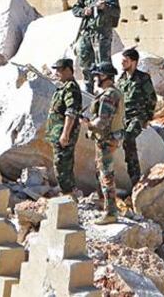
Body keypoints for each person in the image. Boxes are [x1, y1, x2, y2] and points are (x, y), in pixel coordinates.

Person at [71, 0, 121, 94]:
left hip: (102, 32)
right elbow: (75, 9)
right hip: (87, 31)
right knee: (84, 58)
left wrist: (105, 7)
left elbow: (116, 11)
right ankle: (88, 89)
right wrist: (84, 11)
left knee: (103, 63)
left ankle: (108, 91)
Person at [87, 63, 125, 224]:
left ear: (106, 76)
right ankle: (106, 207)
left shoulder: (108, 96)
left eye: (98, 75)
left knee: (106, 176)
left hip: (106, 139)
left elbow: (102, 122)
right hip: (109, 138)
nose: (96, 78)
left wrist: (87, 124)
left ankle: (110, 212)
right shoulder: (114, 93)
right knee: (104, 173)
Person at [116, 48, 156, 186]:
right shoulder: (121, 79)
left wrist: (148, 118)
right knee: (123, 143)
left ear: (133, 62)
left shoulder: (143, 78)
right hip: (123, 117)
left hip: (138, 116)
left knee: (128, 138)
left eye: (125, 61)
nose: (122, 63)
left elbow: (152, 98)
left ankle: (135, 177)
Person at [45, 58, 82, 196]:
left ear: (67, 70)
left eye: (59, 70)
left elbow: (71, 112)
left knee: (62, 164)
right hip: (57, 132)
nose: (56, 73)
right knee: (61, 163)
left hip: (63, 133)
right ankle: (66, 190)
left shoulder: (71, 88)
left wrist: (65, 134)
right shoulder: (64, 87)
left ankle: (68, 193)